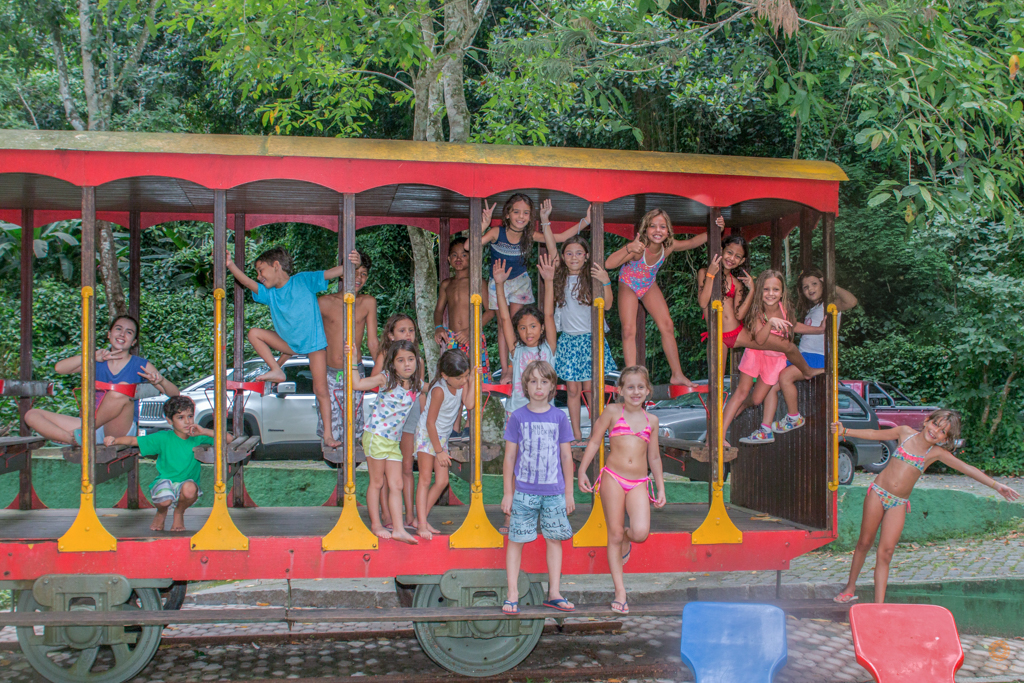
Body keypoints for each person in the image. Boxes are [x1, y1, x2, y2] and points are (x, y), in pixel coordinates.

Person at [831, 411, 1019, 604]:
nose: (935, 431)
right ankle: (850, 587)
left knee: (886, 552)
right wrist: (845, 430)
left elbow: (967, 468)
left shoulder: (935, 453)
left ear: (945, 438)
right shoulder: (905, 433)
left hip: (899, 503)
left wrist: (997, 486)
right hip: (878, 493)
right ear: (927, 421)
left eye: (942, 431)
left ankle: (879, 606)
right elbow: (873, 434)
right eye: (935, 424)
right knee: (864, 542)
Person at [227, 246, 345, 448]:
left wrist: (353, 262)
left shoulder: (302, 281)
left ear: (276, 266)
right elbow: (246, 282)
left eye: (260, 270)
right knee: (254, 333)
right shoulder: (269, 293)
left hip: (313, 345)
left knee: (321, 390)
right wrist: (229, 264)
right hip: (289, 345)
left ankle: (327, 435)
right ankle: (276, 370)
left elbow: (334, 272)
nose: (259, 276)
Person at [577, 366, 667, 615]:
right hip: (613, 478)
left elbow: (655, 457)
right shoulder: (612, 412)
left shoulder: (653, 421)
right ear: (620, 391)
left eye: (640, 387)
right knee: (614, 534)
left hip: (638, 481)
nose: (635, 391)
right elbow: (595, 440)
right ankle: (620, 591)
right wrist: (582, 471)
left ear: (648, 391)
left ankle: (628, 539)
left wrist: (660, 488)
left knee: (640, 532)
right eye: (630, 387)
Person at [743, 269, 859, 443]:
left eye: (814, 284)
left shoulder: (831, 305)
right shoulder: (812, 310)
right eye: (805, 287)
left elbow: (852, 301)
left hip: (818, 356)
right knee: (772, 383)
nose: (810, 289)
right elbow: (794, 327)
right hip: (802, 355)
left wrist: (829, 284)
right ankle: (765, 429)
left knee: (786, 376)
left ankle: (793, 416)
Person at [25, 315, 179, 445]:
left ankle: (86, 431)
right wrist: (92, 356)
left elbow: (175, 395)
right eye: (118, 329)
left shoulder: (140, 365)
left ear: (133, 342)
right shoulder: (97, 360)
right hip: (90, 426)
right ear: (109, 334)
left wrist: (161, 381)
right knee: (31, 415)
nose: (122, 334)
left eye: (129, 332)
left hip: (117, 430)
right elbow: (59, 368)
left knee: (121, 388)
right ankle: (74, 439)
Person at [482, 195, 589, 378]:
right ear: (507, 214)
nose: (521, 216)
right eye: (516, 211)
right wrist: (483, 226)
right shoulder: (496, 231)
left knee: (516, 323)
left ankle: (515, 364)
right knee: (502, 324)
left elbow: (559, 237)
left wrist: (586, 220)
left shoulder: (528, 234)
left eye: (526, 213)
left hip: (519, 282)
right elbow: (470, 245)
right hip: (499, 281)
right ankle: (507, 370)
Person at [501, 360, 576, 614]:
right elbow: (509, 457)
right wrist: (508, 493)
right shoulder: (518, 417)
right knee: (516, 540)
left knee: (554, 540)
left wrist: (568, 492)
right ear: (525, 386)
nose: (538, 386)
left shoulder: (559, 417)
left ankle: (554, 592)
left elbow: (566, 457)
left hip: (554, 493)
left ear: (553, 386)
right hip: (523, 492)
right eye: (533, 381)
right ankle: (512, 593)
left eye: (544, 381)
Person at [606, 209, 710, 386]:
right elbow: (609, 264)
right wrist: (629, 247)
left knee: (667, 325)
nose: (657, 230)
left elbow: (692, 242)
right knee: (629, 329)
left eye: (662, 226)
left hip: (647, 284)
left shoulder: (668, 247)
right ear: (645, 230)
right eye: (652, 226)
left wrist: (716, 230)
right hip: (628, 284)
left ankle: (677, 374)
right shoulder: (639, 249)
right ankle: (631, 374)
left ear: (668, 231)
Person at [697, 235, 819, 379]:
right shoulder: (704, 272)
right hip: (717, 335)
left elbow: (739, 316)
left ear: (742, 261)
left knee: (788, 346)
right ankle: (716, 402)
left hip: (737, 334)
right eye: (729, 252)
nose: (732, 258)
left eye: (738, 256)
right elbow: (703, 302)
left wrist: (752, 290)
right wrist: (711, 274)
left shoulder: (736, 283)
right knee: (717, 380)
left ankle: (807, 371)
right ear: (721, 250)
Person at [104, 395, 229, 531]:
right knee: (165, 501)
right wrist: (114, 440)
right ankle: (161, 512)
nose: (187, 421)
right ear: (170, 420)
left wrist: (204, 430)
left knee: (190, 489)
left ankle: (179, 512)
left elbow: (229, 439)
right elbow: (133, 441)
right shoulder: (163, 438)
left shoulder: (198, 438)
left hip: (186, 485)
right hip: (164, 483)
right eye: (180, 418)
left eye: (190, 416)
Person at [352, 339, 422, 545]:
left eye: (410, 359)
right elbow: (357, 384)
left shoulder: (416, 385)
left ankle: (399, 529)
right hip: (375, 437)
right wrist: (354, 361)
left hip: (392, 442)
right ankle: (376, 524)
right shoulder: (385, 379)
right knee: (377, 482)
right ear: (392, 363)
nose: (407, 364)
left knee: (397, 484)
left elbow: (442, 384)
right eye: (401, 360)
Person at [552, 235, 617, 446]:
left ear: (586, 256)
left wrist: (605, 280)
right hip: (569, 341)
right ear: (562, 257)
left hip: (589, 340)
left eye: (579, 253)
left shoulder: (592, 277)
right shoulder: (559, 279)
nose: (574, 257)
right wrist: (545, 222)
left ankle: (596, 432)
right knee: (573, 390)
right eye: (569, 253)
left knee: (590, 389)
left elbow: (607, 306)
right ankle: (576, 433)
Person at [719, 269, 792, 447]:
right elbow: (759, 339)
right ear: (761, 291)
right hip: (756, 353)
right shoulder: (758, 309)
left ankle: (742, 406)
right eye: (766, 289)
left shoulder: (786, 309)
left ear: (782, 292)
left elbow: (792, 330)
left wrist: (818, 329)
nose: (771, 294)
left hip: (774, 360)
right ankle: (718, 435)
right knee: (741, 391)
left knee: (757, 399)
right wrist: (771, 323)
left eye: (775, 290)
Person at [318, 250, 379, 449]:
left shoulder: (368, 302)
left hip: (356, 371)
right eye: (355, 272)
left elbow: (372, 342)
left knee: (354, 426)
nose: (359, 278)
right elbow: (308, 337)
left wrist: (382, 369)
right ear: (342, 273)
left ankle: (351, 470)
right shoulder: (324, 303)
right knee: (333, 430)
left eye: (364, 274)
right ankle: (339, 475)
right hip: (329, 371)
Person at [415, 349, 476, 540]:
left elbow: (469, 403)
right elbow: (429, 423)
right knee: (425, 479)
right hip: (427, 435)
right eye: (460, 378)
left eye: (466, 376)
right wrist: (439, 451)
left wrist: (472, 381)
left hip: (441, 437)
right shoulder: (439, 390)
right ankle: (421, 525)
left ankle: (420, 518)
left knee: (442, 481)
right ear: (444, 375)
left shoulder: (461, 383)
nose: (463, 381)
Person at [373, 314, 422, 530]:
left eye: (411, 330)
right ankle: (387, 515)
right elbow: (376, 382)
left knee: (406, 466)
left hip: (410, 413)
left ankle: (410, 514)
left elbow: (420, 386)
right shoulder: (385, 355)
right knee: (385, 469)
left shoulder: (415, 357)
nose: (408, 334)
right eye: (402, 330)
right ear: (391, 335)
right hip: (389, 417)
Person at [493, 254, 558, 414]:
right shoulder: (517, 350)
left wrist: (549, 281)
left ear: (542, 328)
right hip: (516, 410)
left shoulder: (548, 348)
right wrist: (499, 285)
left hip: (545, 410)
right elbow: (505, 318)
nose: (528, 331)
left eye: (533, 326)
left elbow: (549, 314)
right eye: (522, 328)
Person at [434, 236, 495, 378]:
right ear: (449, 259)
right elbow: (438, 311)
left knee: (477, 378)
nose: (458, 258)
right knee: (454, 377)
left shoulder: (479, 282)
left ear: (472, 258)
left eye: (464, 255)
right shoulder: (446, 284)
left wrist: (471, 330)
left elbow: (490, 312)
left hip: (473, 335)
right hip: (452, 338)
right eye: (454, 255)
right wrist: (438, 327)